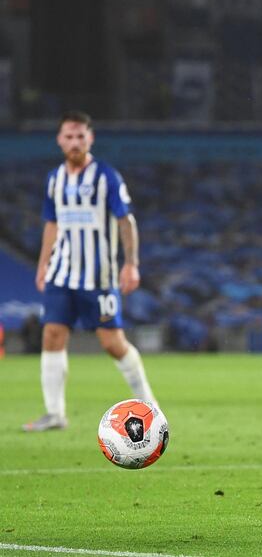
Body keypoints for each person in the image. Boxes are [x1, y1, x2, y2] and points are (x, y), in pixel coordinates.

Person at [23, 110, 157, 432]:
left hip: (99, 277)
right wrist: (43, 264)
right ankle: (55, 413)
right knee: (52, 334)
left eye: (80, 136)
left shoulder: (106, 176)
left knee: (112, 342)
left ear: (90, 138)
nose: (74, 142)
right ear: (59, 140)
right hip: (61, 273)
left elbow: (126, 221)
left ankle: (151, 407)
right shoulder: (54, 179)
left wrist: (131, 263)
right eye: (68, 136)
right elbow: (52, 224)